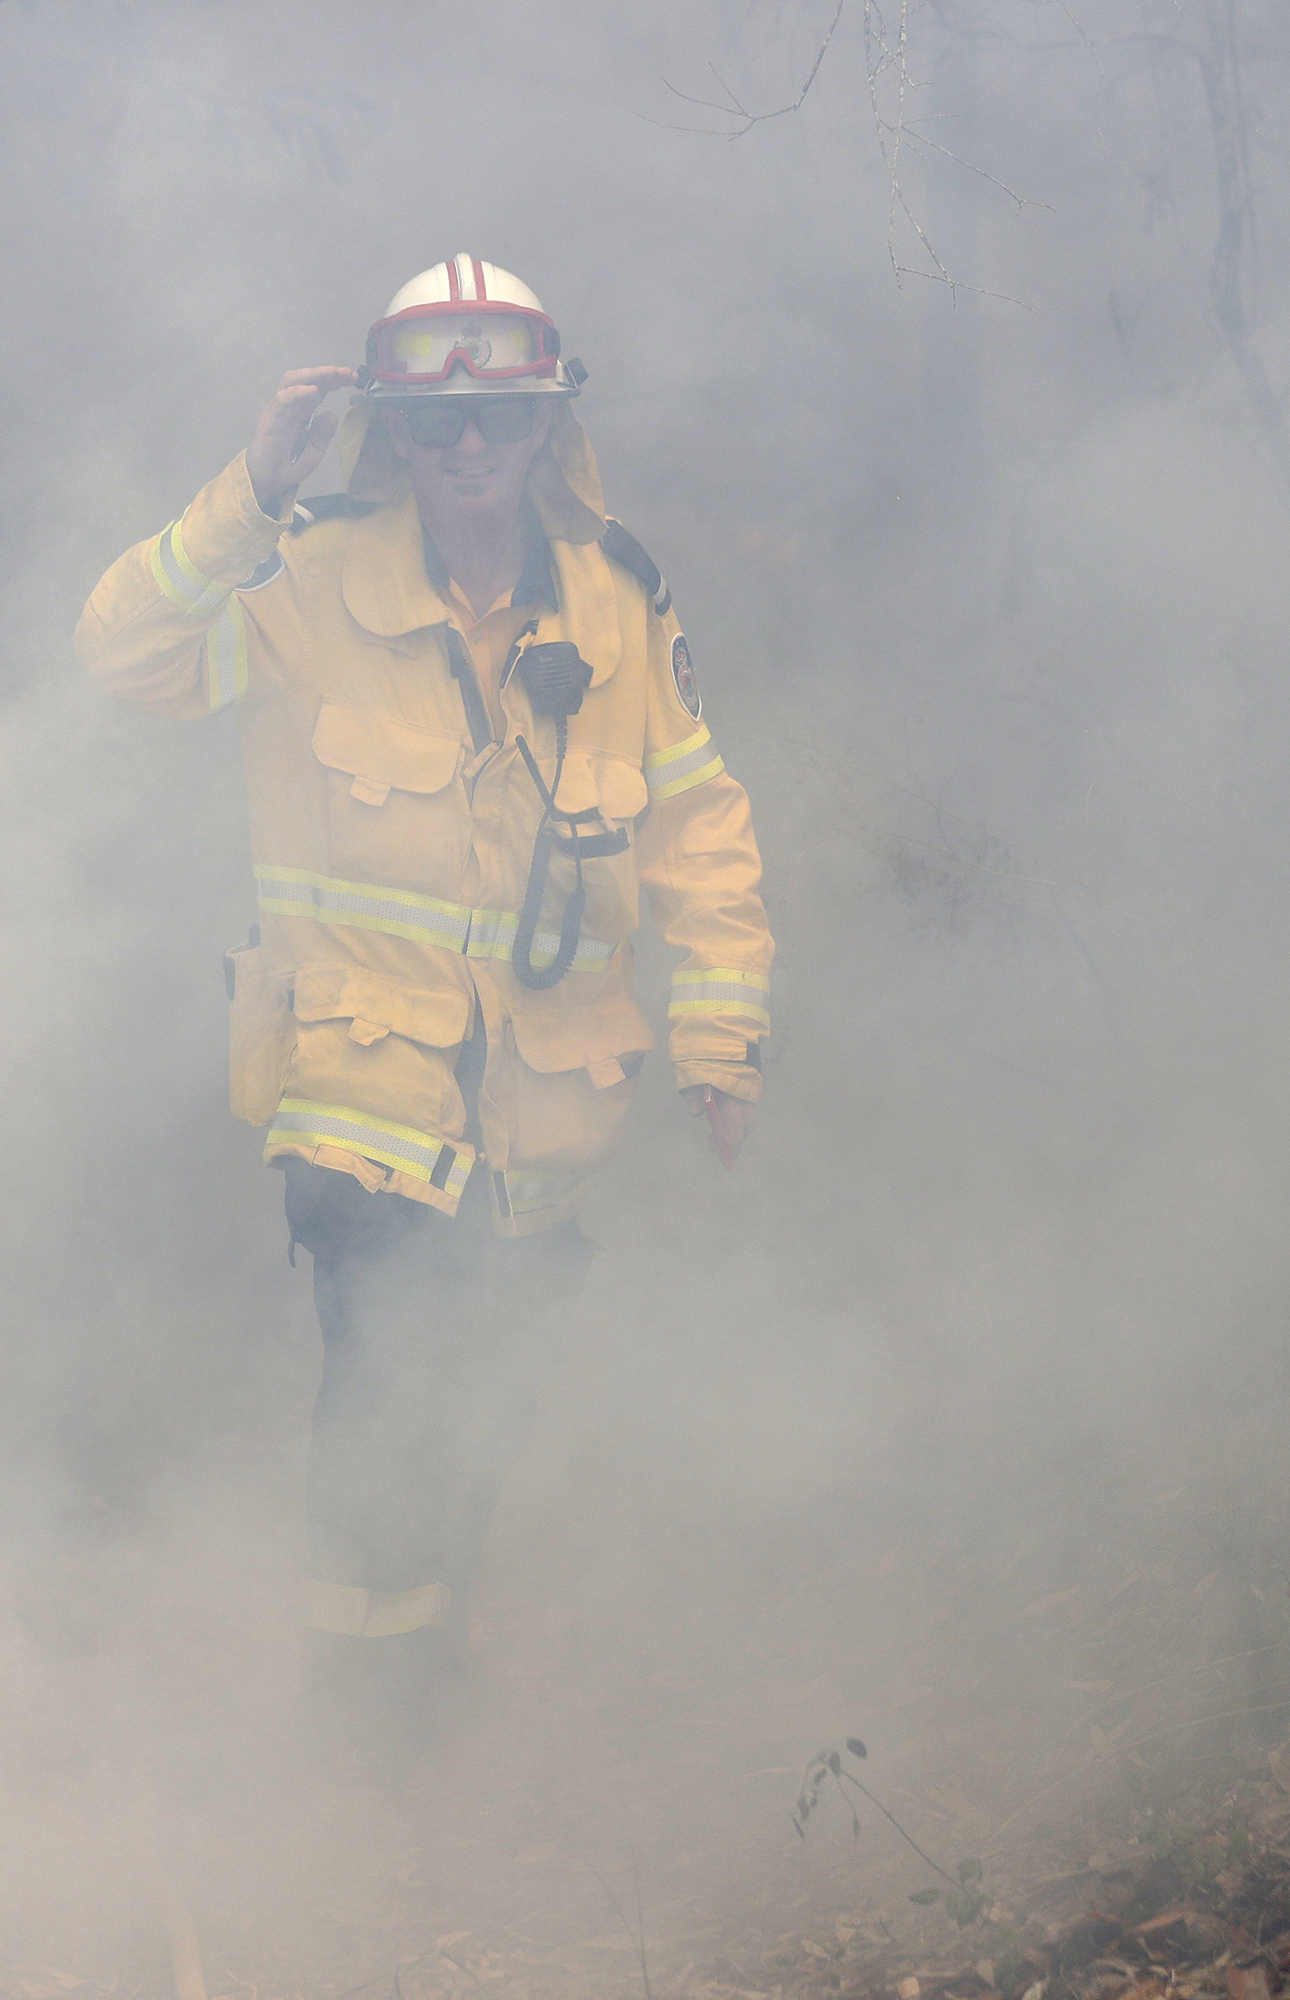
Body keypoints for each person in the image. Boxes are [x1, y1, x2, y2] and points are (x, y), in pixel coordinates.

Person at [76, 255, 776, 1764]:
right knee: (389, 1402)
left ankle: (428, 1663)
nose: (469, 452)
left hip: (550, 1120)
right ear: (392, 433)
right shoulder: (306, 577)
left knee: (486, 1415)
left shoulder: (619, 598)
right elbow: (122, 656)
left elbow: (696, 826)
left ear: (545, 427)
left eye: (501, 421)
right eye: (436, 428)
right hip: (362, 1109)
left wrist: (721, 1037)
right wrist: (250, 489)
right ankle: (367, 1738)